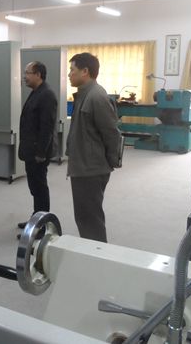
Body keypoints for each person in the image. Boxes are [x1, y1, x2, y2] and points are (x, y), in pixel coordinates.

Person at [66, 52, 121, 242]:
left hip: (91, 169)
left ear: (85, 71)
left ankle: (97, 253)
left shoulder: (96, 97)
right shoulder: (84, 94)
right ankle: (91, 251)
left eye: (72, 70)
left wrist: (110, 162)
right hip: (83, 166)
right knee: (84, 216)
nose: (69, 74)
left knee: (90, 220)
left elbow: (111, 133)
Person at [17, 61, 58, 235]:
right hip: (31, 151)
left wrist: (41, 153)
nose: (24, 76)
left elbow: (47, 127)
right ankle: (36, 218)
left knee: (40, 188)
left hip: (38, 153)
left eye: (27, 73)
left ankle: (42, 226)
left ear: (38, 75)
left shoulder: (47, 95)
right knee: (35, 187)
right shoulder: (37, 92)